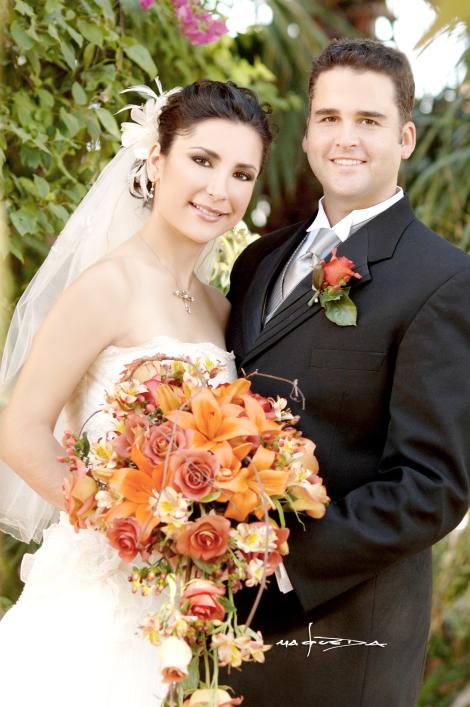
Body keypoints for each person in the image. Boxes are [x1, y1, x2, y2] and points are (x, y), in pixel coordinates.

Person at [0, 79, 272, 706]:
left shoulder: (219, 307)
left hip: (182, 609)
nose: (219, 190)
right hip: (97, 597)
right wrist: (131, 526)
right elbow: (20, 430)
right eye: (201, 161)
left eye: (241, 173)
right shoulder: (106, 286)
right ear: (156, 159)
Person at [226, 38, 470, 707]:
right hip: (218, 634)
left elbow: (432, 485)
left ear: (407, 137)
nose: (346, 138)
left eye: (369, 121)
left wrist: (274, 562)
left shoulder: (445, 280)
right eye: (329, 118)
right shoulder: (258, 261)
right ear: (306, 135)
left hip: (338, 646)